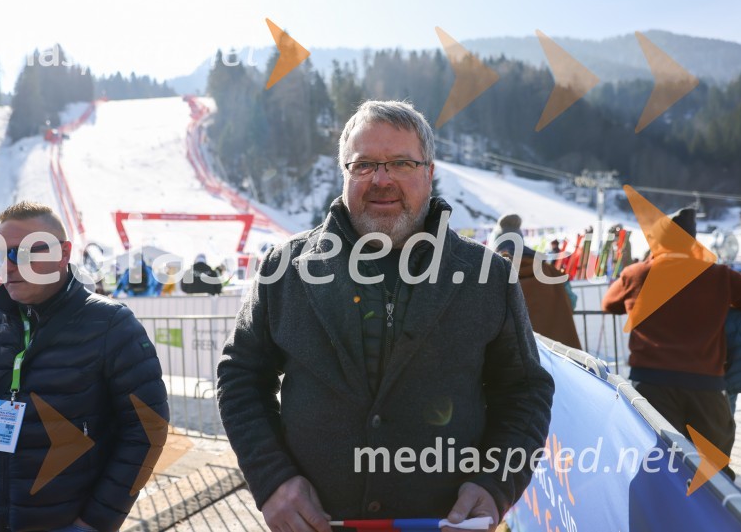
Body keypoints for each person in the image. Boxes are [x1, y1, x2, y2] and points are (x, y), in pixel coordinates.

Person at [217, 101, 554, 532]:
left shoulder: (486, 277)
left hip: (442, 523)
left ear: (429, 172)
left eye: (401, 162)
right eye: (364, 165)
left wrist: (496, 483)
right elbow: (240, 377)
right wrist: (272, 480)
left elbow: (524, 392)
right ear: (344, 174)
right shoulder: (285, 270)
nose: (382, 179)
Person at [0, 201, 169, 532]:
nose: (9, 266)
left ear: (63, 254)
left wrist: (94, 523)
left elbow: (148, 428)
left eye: (25, 252)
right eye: (1, 254)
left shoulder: (112, 325)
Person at [602, 207, 741, 477]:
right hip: (705, 385)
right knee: (714, 472)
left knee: (657, 466)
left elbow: (609, 304)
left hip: (651, 383)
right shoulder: (719, 276)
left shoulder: (638, 274)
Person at [490, 214, 581, 349]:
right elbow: (571, 301)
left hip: (515, 355)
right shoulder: (550, 272)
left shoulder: (492, 275)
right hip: (559, 355)